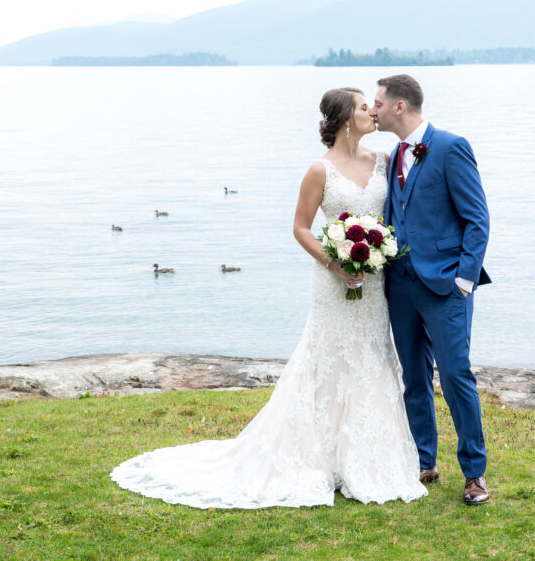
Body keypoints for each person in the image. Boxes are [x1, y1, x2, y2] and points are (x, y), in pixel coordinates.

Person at [110, 87, 427, 508]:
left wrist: (376, 254)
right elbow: (300, 227)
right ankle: (319, 458)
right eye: (363, 106)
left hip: (372, 285)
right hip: (334, 284)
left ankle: (368, 456)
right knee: (328, 357)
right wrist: (336, 263)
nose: (372, 110)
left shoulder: (384, 161)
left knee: (371, 355)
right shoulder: (320, 171)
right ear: (346, 119)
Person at [369, 74, 493, 506]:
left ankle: (474, 474)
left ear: (399, 106)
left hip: (445, 287)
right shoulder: (393, 154)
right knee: (414, 378)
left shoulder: (450, 146)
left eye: (378, 102)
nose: (373, 109)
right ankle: (424, 460)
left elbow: (478, 219)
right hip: (400, 285)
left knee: (457, 376)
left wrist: (464, 279)